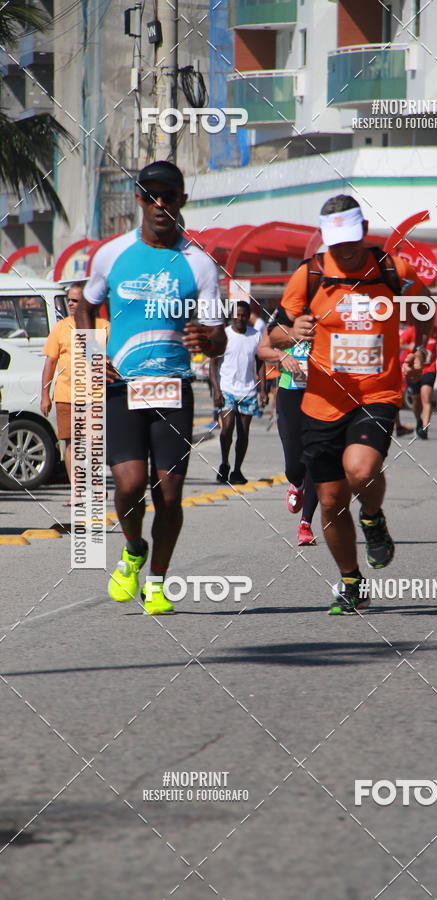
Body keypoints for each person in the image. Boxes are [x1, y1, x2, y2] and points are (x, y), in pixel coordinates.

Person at [76, 160, 226, 615]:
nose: (160, 205)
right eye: (151, 196)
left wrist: (207, 339)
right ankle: (133, 547)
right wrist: (92, 355)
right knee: (129, 485)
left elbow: (218, 334)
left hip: (173, 387)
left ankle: (158, 580)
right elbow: (84, 306)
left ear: (182, 200)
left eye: (169, 196)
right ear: (139, 200)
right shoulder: (112, 254)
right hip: (122, 386)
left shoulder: (199, 263)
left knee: (170, 495)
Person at [269, 195, 432, 614]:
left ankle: (373, 518)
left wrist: (421, 350)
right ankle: (351, 581)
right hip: (321, 401)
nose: (345, 249)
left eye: (351, 239)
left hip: (376, 393)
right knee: (329, 501)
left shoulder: (394, 270)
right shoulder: (310, 276)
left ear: (363, 230)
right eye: (335, 241)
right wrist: (294, 331)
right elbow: (273, 337)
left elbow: (426, 309)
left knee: (361, 469)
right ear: (326, 238)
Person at [40, 283, 110, 504]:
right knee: (71, 444)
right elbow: (50, 362)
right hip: (65, 395)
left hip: (94, 396)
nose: (71, 304)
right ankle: (77, 492)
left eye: (76, 301)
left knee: (93, 443)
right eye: (69, 300)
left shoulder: (104, 327)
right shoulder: (60, 328)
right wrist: (45, 395)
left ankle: (97, 486)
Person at [257, 327, 318, 546]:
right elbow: (262, 350)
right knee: (294, 466)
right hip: (290, 392)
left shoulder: (329, 314)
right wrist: (282, 355)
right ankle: (297, 483)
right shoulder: (284, 319)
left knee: (315, 458)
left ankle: (305, 524)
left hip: (320, 394)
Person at [210, 300, 266, 485]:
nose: (240, 318)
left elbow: (261, 363)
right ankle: (224, 463)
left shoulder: (255, 336)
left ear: (248, 316)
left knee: (243, 433)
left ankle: (237, 470)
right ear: (232, 316)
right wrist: (216, 391)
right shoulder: (223, 335)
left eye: (244, 315)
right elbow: (212, 364)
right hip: (227, 389)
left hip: (248, 391)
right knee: (227, 429)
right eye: (237, 314)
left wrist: (263, 390)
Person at [399, 319, 437, 439]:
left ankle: (425, 428)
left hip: (429, 368)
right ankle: (419, 420)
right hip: (413, 369)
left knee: (426, 398)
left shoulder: (436, 331)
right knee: (415, 399)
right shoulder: (410, 331)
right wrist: (408, 346)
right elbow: (399, 343)